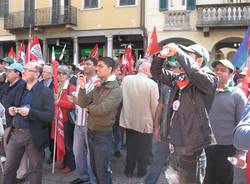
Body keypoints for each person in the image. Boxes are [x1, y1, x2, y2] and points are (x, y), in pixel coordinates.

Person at [150, 43, 217, 184]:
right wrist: (160, 57)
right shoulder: (178, 79)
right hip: (174, 146)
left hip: (191, 148)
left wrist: (179, 53)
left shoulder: (209, 78)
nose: (179, 58)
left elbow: (196, 74)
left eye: (187, 55)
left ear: (199, 61)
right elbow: (156, 72)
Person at [3, 62, 54, 184]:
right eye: (24, 69)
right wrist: (10, 111)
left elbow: (49, 116)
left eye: (27, 69)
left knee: (35, 170)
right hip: (15, 133)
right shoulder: (19, 87)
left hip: (34, 135)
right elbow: (8, 106)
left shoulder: (45, 92)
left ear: (36, 74)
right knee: (9, 169)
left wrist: (30, 113)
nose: (24, 71)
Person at [78, 57, 122, 184]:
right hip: (91, 130)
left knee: (102, 171)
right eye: (97, 65)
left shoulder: (115, 89)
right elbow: (82, 102)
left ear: (110, 69)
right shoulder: (99, 85)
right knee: (95, 169)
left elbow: (102, 110)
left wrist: (89, 108)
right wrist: (82, 88)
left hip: (103, 134)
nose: (97, 68)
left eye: (101, 66)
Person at [204, 59, 247, 184]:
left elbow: (242, 124)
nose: (218, 72)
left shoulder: (237, 95)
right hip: (205, 145)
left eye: (223, 70)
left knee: (224, 180)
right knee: (205, 180)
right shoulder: (207, 92)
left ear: (231, 75)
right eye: (216, 69)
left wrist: (241, 153)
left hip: (227, 147)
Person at [144, 57, 183, 184]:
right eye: (169, 67)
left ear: (182, 69)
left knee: (181, 168)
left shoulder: (191, 87)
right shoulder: (165, 83)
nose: (170, 70)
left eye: (173, 68)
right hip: (166, 133)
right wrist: (156, 128)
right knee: (157, 162)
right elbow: (160, 106)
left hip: (183, 137)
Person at [120, 62, 159, 178]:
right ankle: (141, 172)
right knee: (144, 149)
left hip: (129, 119)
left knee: (131, 146)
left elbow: (121, 96)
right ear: (147, 70)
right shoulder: (152, 84)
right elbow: (155, 107)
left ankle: (129, 170)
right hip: (145, 123)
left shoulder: (126, 79)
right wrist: (157, 124)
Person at [71, 58, 98, 184]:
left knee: (90, 154)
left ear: (95, 66)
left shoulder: (97, 82)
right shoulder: (80, 80)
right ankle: (83, 176)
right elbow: (76, 100)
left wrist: (78, 100)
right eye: (84, 64)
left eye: (88, 64)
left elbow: (87, 102)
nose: (85, 66)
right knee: (77, 151)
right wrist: (77, 100)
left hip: (90, 123)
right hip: (78, 122)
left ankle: (93, 179)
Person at [55, 65, 76, 173]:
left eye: (62, 73)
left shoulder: (71, 87)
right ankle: (63, 161)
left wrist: (58, 102)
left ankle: (71, 164)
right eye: (58, 73)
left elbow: (74, 105)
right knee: (61, 142)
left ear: (67, 75)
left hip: (67, 120)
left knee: (68, 143)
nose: (60, 75)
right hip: (59, 119)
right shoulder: (58, 86)